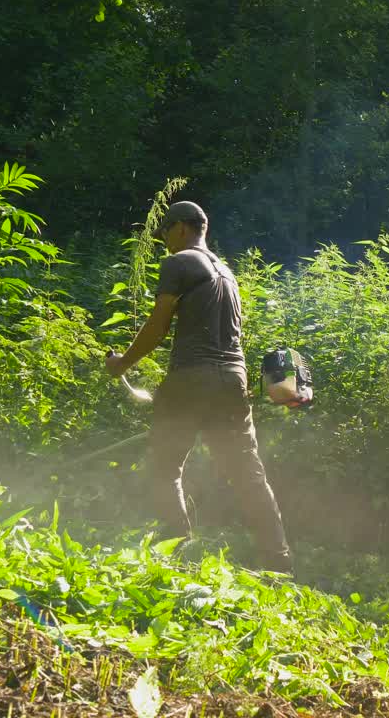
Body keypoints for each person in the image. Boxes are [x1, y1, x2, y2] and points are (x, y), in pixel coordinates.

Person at [105, 200, 292, 573]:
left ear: (182, 228)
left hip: (191, 377)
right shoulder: (228, 274)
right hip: (232, 381)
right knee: (249, 478)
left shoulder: (179, 263)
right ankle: (280, 565)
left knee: (165, 469)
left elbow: (158, 328)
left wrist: (122, 364)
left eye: (165, 235)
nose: (164, 244)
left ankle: (178, 556)